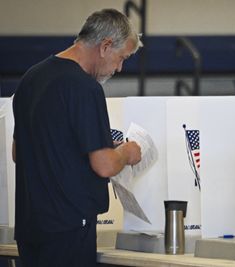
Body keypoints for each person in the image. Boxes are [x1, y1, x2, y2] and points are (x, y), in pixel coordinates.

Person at [12, 8, 142, 267]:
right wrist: (126, 153)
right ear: (105, 46)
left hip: (30, 226)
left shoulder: (31, 77)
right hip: (69, 226)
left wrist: (94, 147)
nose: (119, 68)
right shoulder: (85, 87)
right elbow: (104, 165)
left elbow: (20, 151)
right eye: (121, 58)